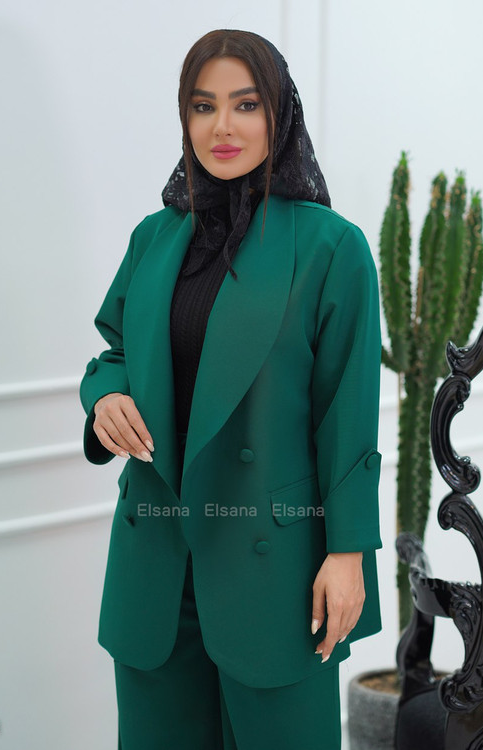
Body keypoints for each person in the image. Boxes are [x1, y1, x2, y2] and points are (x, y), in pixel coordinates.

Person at [79, 28, 382, 750]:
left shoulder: (331, 247)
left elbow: (348, 415)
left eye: (246, 105)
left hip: (275, 569)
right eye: (203, 105)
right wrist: (105, 398)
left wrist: (348, 555)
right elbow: (115, 351)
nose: (222, 126)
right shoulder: (156, 236)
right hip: (157, 564)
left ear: (280, 113)